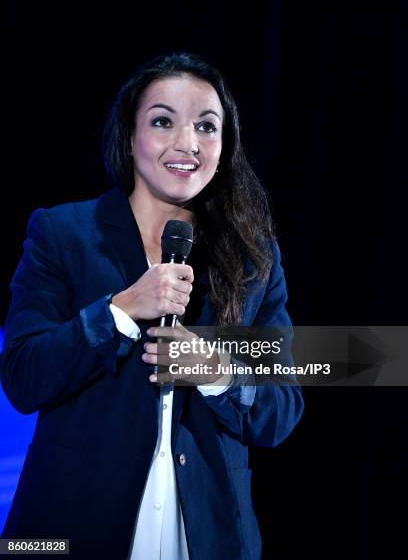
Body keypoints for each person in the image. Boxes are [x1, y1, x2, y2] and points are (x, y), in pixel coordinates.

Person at [0, 52, 304, 559]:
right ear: (130, 135)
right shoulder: (63, 233)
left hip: (208, 536)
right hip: (68, 530)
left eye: (207, 127)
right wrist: (118, 311)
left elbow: (281, 410)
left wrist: (214, 370)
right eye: (163, 122)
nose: (187, 144)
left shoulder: (255, 259)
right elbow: (23, 378)